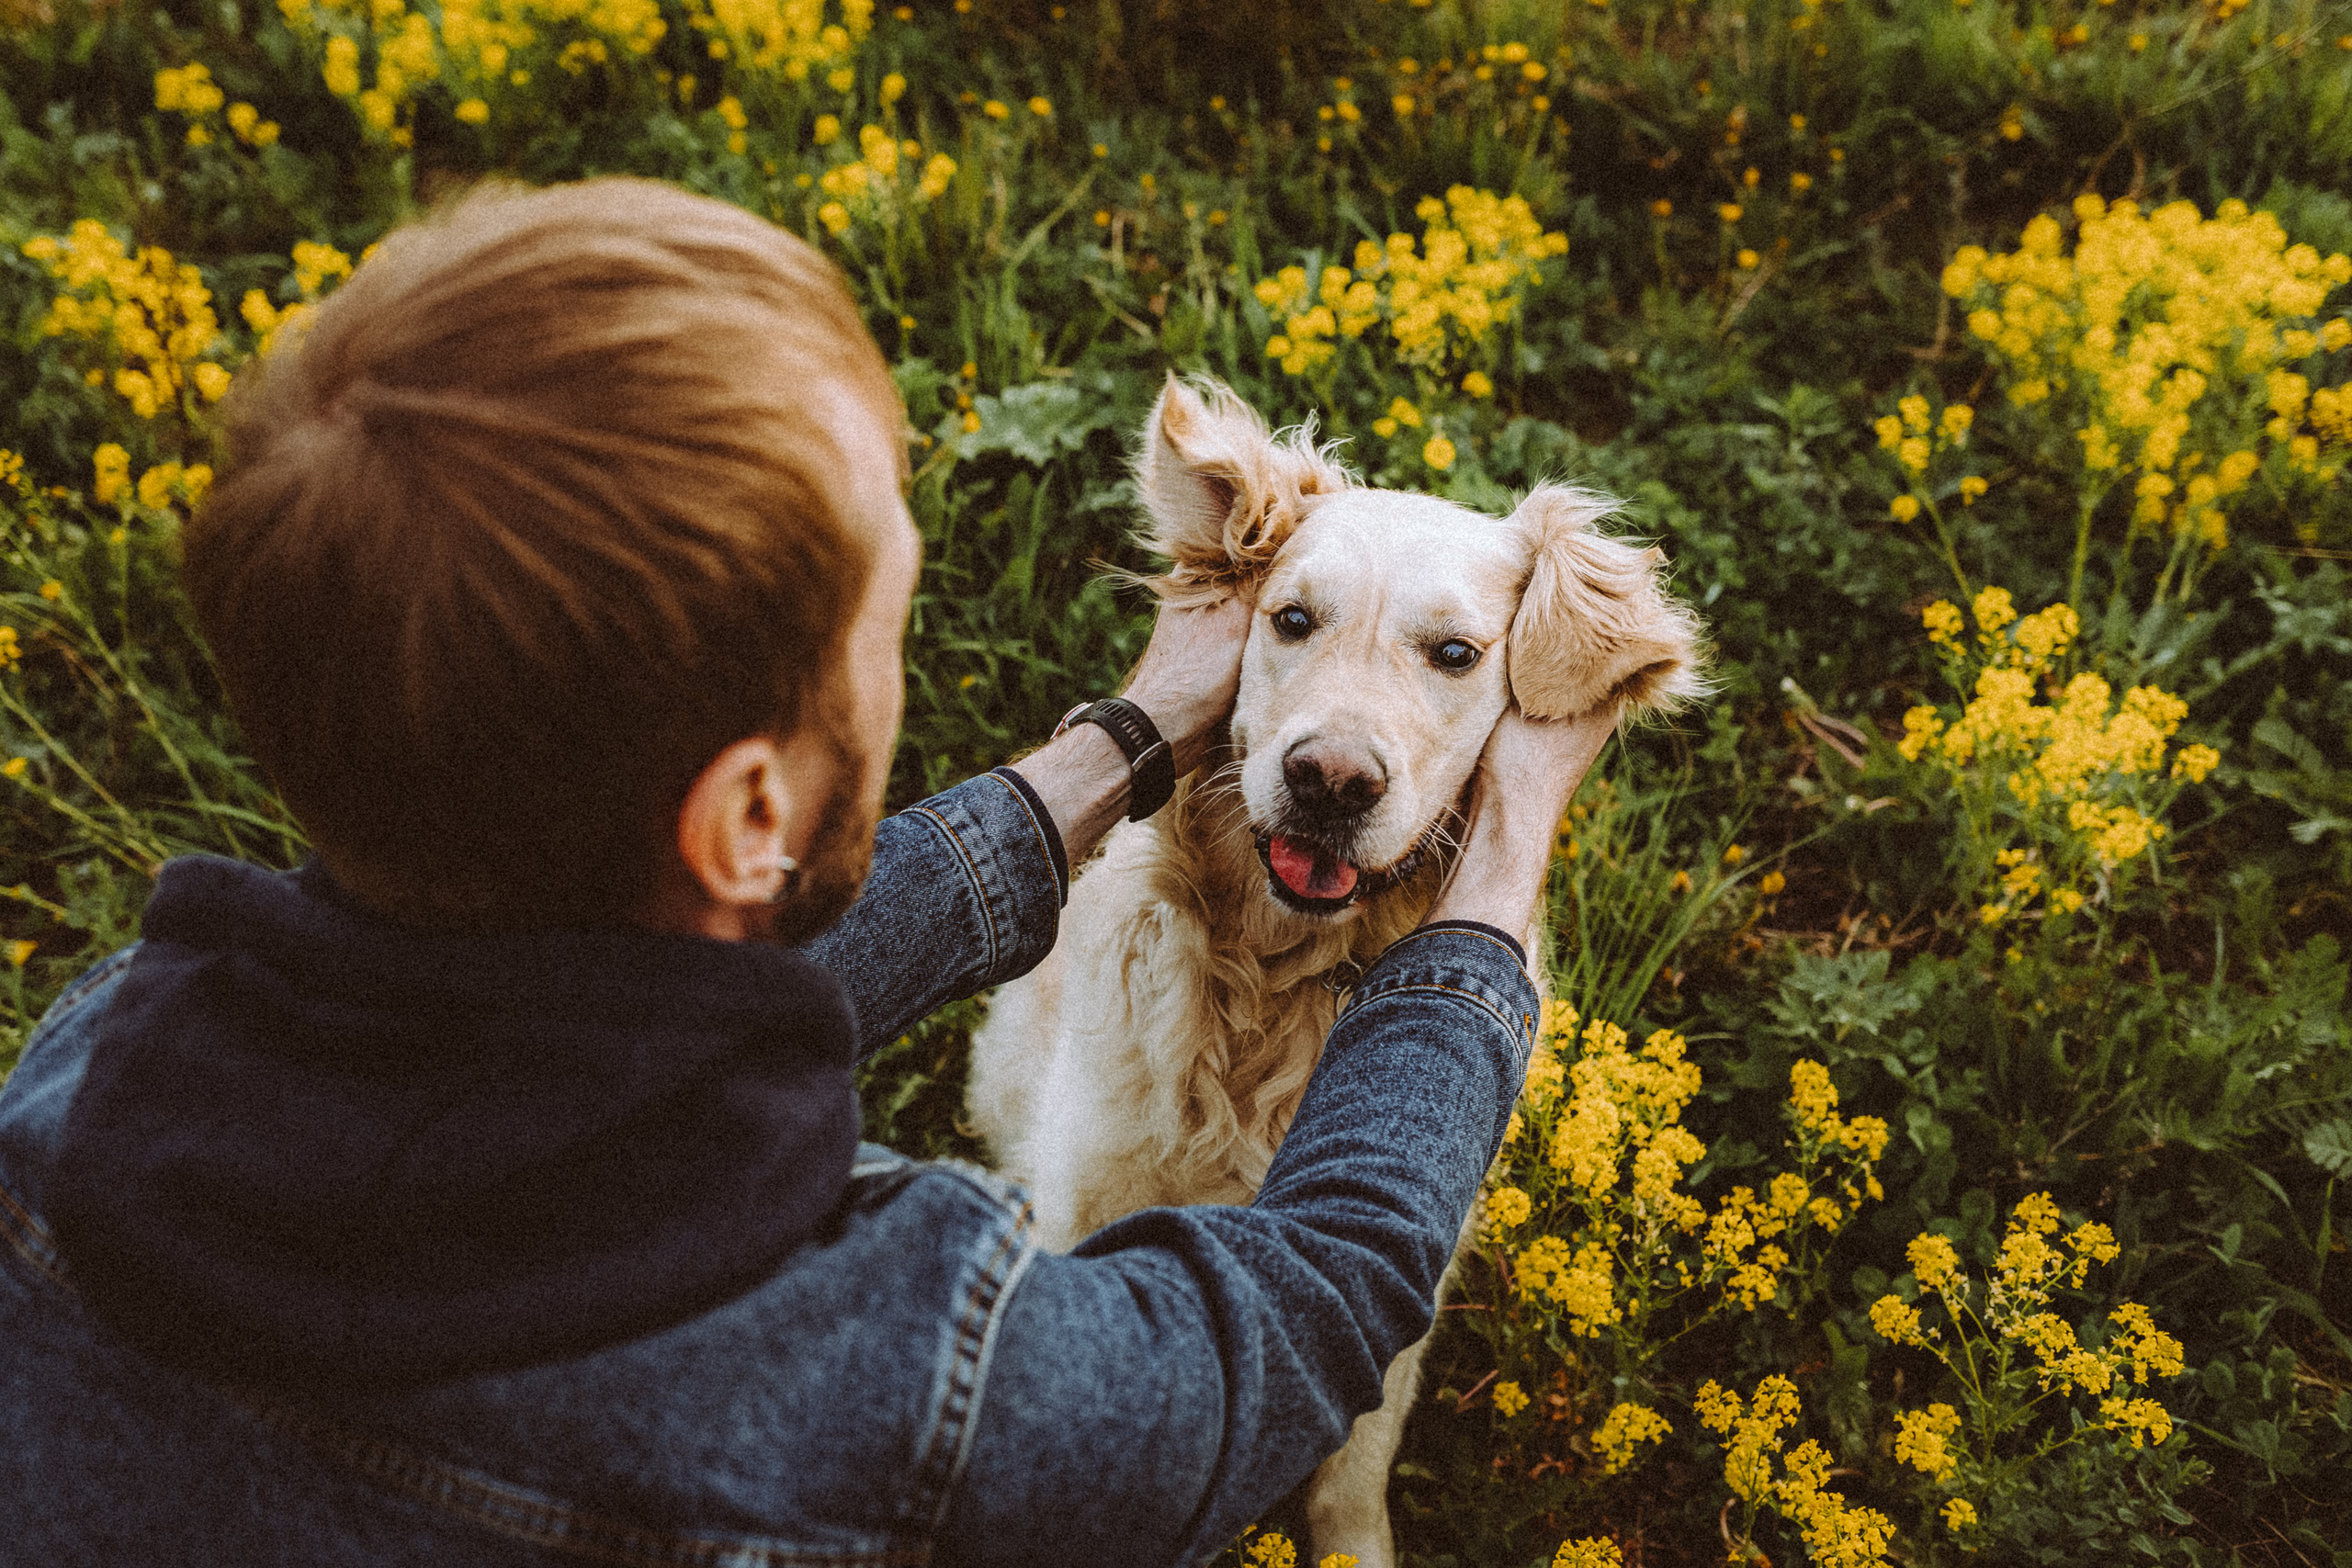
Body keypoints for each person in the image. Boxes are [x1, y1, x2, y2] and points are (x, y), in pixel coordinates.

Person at [0, 176, 1620, 1565]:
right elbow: (1310, 1308)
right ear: (748, 820)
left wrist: (1118, 743)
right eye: (893, 596)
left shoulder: (77, 1078)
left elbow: (597, 1008)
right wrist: (1495, 891)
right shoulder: (927, 1371)